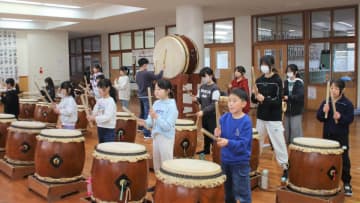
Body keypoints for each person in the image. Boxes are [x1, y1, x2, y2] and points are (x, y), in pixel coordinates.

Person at [251, 55, 289, 181]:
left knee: (279, 143)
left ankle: (285, 168)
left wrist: (264, 99)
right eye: (262, 64)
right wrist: (254, 95)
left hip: (274, 118)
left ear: (271, 66)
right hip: (261, 117)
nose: (263, 67)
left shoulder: (277, 80)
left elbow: (278, 100)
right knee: (257, 142)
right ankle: (253, 166)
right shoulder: (259, 80)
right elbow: (254, 100)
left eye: (266, 64)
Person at [138, 79, 178, 193]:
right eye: (155, 89)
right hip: (156, 137)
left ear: (168, 91)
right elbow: (150, 123)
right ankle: (159, 185)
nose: (156, 91)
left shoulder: (172, 106)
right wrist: (144, 122)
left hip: (166, 137)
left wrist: (156, 117)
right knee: (157, 164)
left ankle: (169, 188)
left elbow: (167, 126)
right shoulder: (156, 103)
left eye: (159, 89)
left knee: (166, 164)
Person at [316, 79, 354, 196]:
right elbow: (319, 117)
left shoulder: (347, 104)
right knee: (327, 158)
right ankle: (326, 181)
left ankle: (346, 182)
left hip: (341, 136)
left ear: (342, 90)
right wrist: (323, 112)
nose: (333, 90)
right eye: (332, 88)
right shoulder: (326, 102)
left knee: (344, 159)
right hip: (327, 136)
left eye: (336, 88)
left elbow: (350, 120)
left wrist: (341, 117)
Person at [214, 88, 252, 203]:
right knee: (227, 193)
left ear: (244, 104)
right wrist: (217, 134)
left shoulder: (246, 121)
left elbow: (243, 145)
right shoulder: (224, 118)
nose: (230, 103)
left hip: (240, 163)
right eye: (229, 101)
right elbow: (220, 137)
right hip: (225, 161)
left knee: (242, 194)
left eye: (234, 101)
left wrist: (228, 142)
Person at [193, 67, 220, 154]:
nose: (203, 79)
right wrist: (196, 99)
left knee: (212, 134)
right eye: (202, 77)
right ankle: (206, 150)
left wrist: (203, 111)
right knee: (205, 133)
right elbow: (199, 100)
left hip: (212, 115)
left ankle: (216, 151)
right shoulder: (202, 87)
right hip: (204, 115)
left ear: (211, 76)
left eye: (204, 76)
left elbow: (214, 104)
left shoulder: (215, 88)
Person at [135, 58, 164, 139]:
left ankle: (140, 128)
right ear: (144, 65)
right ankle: (146, 133)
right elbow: (158, 77)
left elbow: (144, 82)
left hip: (140, 95)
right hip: (146, 95)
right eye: (147, 65)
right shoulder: (146, 73)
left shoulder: (137, 74)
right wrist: (162, 70)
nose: (147, 66)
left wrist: (151, 82)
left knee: (142, 112)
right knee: (147, 114)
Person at [87, 78, 117, 143]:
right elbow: (95, 112)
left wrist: (94, 118)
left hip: (109, 129)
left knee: (108, 149)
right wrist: (90, 113)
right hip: (100, 127)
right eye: (99, 88)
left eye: (101, 88)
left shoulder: (110, 101)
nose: (99, 90)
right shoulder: (100, 100)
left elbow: (107, 117)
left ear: (108, 88)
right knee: (102, 147)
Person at [283, 64, 304, 145]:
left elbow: (300, 96)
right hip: (287, 110)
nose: (289, 73)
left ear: (295, 72)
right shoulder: (286, 82)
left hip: (296, 110)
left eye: (291, 71)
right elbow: (283, 93)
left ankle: (296, 145)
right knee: (287, 129)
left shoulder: (299, 82)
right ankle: (288, 144)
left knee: (295, 128)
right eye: (288, 71)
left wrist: (289, 97)